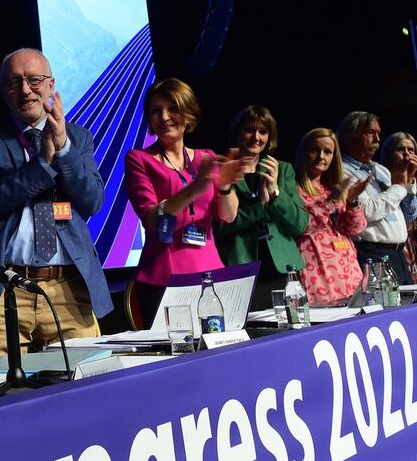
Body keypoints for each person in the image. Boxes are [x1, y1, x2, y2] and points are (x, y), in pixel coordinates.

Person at [0, 48, 112, 363]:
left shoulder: (79, 137)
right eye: (15, 83)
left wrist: (64, 148)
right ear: (4, 92)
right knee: (1, 393)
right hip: (6, 291)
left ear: (50, 84)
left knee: (86, 385)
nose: (26, 90)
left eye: (34, 80)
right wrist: (43, 164)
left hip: (69, 289)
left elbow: (92, 201)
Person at [123, 78, 245, 326]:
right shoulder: (139, 159)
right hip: (164, 278)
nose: (164, 116)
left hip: (211, 275)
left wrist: (224, 187)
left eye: (172, 108)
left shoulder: (207, 157)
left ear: (188, 114)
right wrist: (196, 188)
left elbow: (228, 216)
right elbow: (151, 218)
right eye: (156, 111)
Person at [215, 106, 308, 311]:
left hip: (283, 269)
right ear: (237, 132)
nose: (256, 137)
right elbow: (218, 227)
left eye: (263, 132)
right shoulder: (221, 170)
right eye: (249, 130)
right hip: (241, 270)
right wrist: (261, 209)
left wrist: (276, 193)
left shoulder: (282, 169)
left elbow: (301, 223)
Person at [337, 112, 417, 284]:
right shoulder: (341, 171)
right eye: (370, 133)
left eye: (378, 133)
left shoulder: (380, 169)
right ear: (349, 139)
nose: (377, 139)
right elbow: (365, 212)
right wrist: (400, 186)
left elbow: (407, 215)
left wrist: (408, 182)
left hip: (399, 255)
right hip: (374, 254)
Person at [294, 128, 368, 305]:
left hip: (347, 269)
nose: (321, 156)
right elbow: (304, 225)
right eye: (315, 150)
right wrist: (330, 202)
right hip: (317, 268)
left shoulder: (332, 187)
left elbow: (355, 229)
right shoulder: (294, 189)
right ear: (304, 152)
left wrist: (351, 201)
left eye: (327, 152)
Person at [381, 131, 417, 279]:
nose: (407, 155)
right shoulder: (381, 179)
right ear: (389, 153)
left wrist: (409, 181)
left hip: (409, 245)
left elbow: (410, 215)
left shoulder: (412, 182)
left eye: (411, 150)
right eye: (401, 149)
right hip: (389, 245)